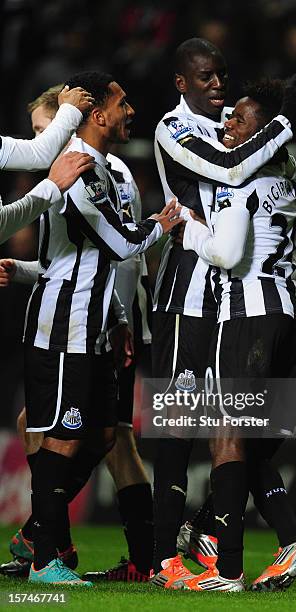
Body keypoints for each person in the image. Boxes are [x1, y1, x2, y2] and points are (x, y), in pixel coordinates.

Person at [149, 37, 296, 589]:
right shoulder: (180, 132)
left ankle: (223, 564)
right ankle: (284, 538)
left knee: (225, 431)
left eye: (237, 117)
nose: (225, 112)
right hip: (290, 311)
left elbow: (226, 235)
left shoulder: (239, 178)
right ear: (182, 83)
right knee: (248, 437)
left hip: (245, 311)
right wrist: (282, 139)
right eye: (208, 79)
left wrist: (184, 225)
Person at [20, 70, 180, 586]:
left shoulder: (104, 172)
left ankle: (44, 538)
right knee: (61, 435)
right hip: (66, 322)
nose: (130, 110)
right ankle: (48, 555)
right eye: (123, 102)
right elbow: (122, 246)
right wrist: (164, 222)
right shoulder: (80, 173)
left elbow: (92, 255)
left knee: (102, 435)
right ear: (96, 113)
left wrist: (120, 317)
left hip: (96, 322)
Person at [0, 86, 94, 243]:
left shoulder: (112, 168)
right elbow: (39, 153)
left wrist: (23, 268)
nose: (37, 138)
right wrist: (52, 187)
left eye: (42, 131)